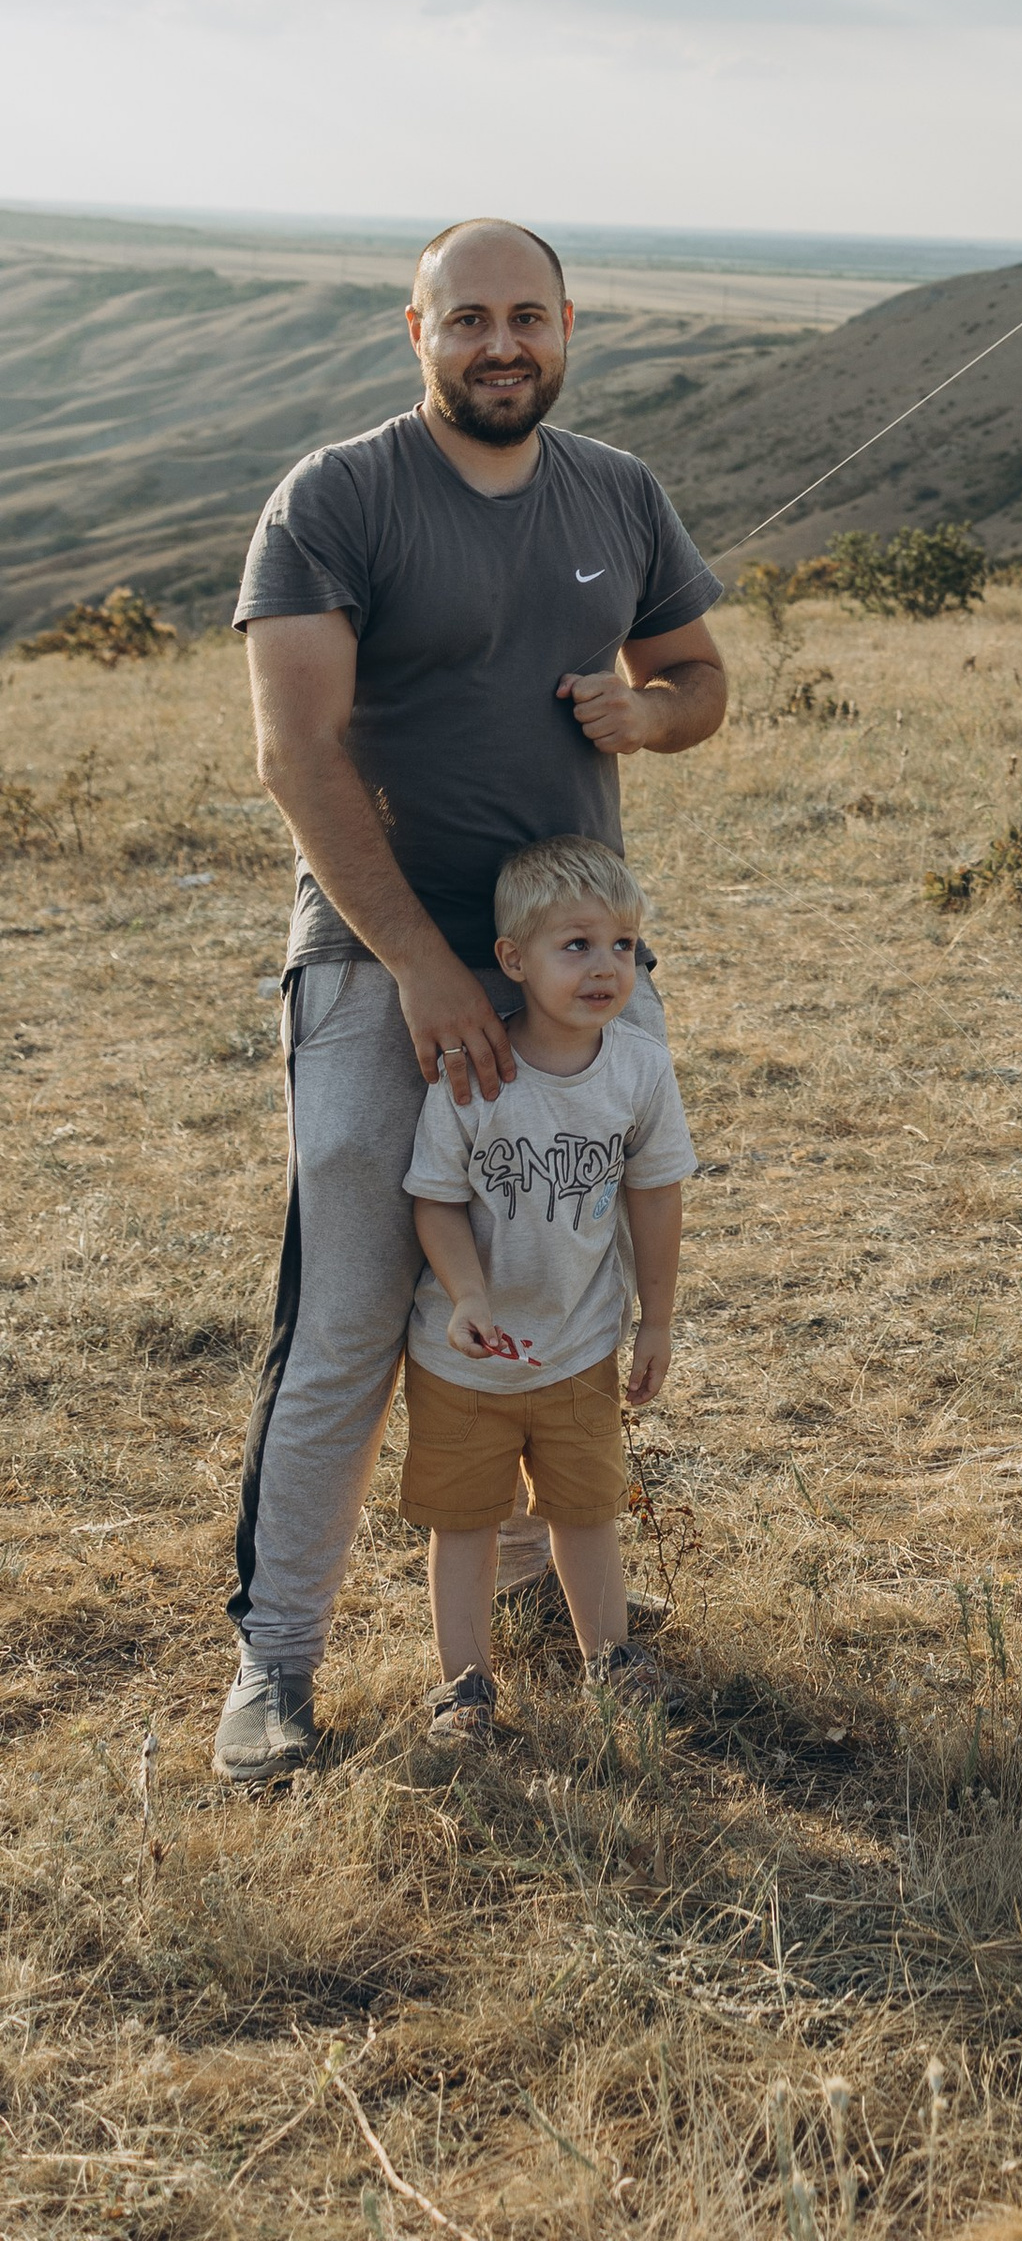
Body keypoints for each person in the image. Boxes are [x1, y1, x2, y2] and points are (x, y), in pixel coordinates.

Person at [215, 217, 728, 1789]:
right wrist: (426, 969)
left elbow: (699, 676)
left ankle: (526, 1571)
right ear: (417, 332)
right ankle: (275, 1662)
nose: (501, 344)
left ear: (567, 326)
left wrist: (647, 717)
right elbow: (297, 753)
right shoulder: (337, 498)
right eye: (468, 319)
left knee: (555, 1265)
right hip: (377, 963)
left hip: (576, 967)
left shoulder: (617, 491)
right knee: (354, 1316)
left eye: (527, 316)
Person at [402, 834, 694, 1745]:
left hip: (579, 1345)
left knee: (587, 1510)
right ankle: (465, 1691)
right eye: (577, 945)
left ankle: (611, 1661)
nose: (606, 966)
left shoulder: (639, 1070)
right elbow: (435, 1202)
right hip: (464, 1358)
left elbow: (657, 1195)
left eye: (623, 945)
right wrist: (468, 1296)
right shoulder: (473, 1077)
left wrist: (657, 1321)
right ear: (513, 959)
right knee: (465, 1525)